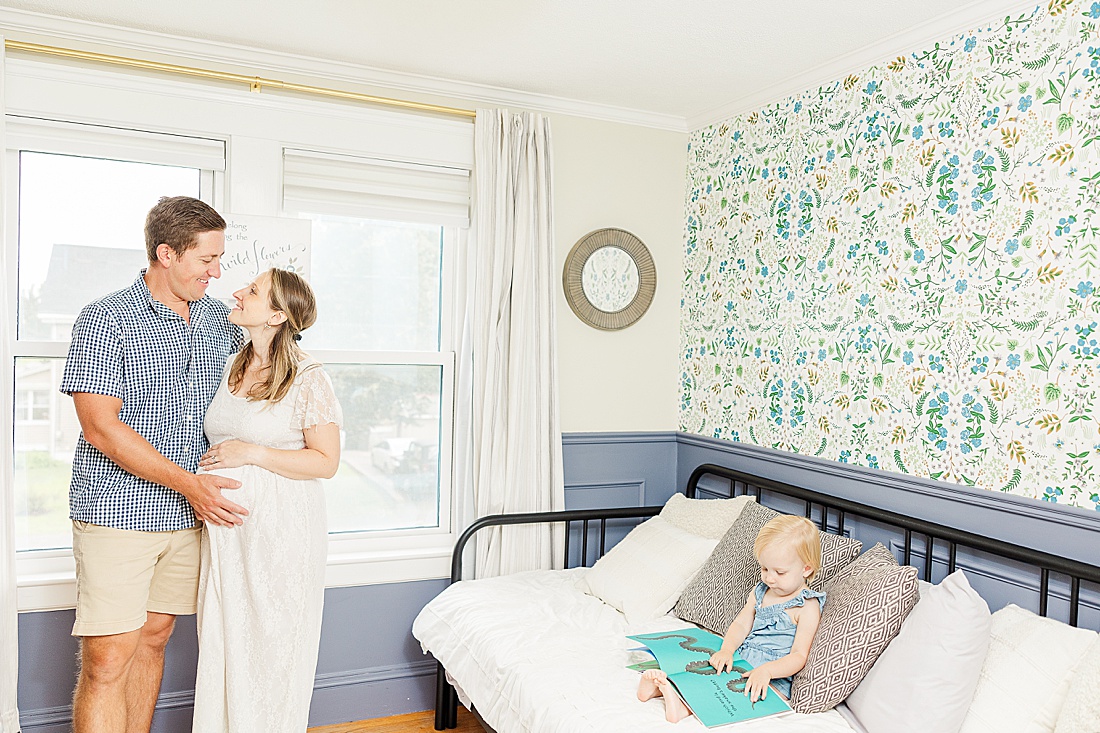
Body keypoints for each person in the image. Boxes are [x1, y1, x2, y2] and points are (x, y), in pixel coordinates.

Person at [61, 196, 247, 733]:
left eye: (218, 258)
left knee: (154, 638)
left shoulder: (218, 318)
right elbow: (101, 428)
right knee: (108, 659)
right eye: (205, 259)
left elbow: (271, 362)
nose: (216, 271)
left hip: (191, 516)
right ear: (166, 253)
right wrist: (191, 483)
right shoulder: (107, 318)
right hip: (117, 511)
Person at [191, 267, 342, 733]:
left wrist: (251, 452)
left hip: (282, 534)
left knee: (272, 649)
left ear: (276, 314)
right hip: (227, 536)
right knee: (222, 643)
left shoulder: (308, 376)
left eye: (252, 291)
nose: (237, 291)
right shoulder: (233, 363)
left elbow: (325, 462)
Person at [637, 515, 825, 723]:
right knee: (707, 673)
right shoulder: (761, 591)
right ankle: (661, 689)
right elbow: (741, 624)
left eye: (780, 572)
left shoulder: (807, 606)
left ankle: (681, 709)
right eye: (764, 569)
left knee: (746, 697)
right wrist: (727, 650)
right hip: (742, 658)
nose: (769, 578)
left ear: (806, 569)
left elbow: (799, 655)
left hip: (773, 674)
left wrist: (767, 671)